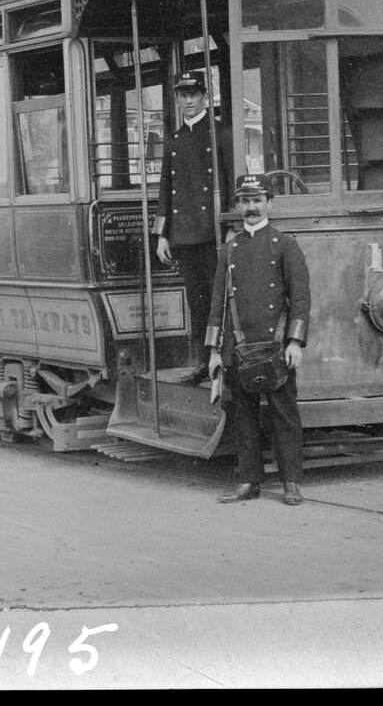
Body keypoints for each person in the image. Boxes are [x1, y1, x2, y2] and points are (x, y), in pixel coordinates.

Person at [207, 173, 311, 505]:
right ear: (238, 205)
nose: (251, 207)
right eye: (245, 201)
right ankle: (249, 482)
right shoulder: (229, 250)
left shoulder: (286, 245)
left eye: (257, 200)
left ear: (270, 203)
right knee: (243, 415)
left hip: (276, 345)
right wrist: (213, 352)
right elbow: (217, 303)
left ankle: (291, 481)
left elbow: (301, 298)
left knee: (284, 413)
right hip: (238, 345)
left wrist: (294, 342)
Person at [154, 71, 234, 383]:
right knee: (196, 301)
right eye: (182, 95)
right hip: (184, 235)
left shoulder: (219, 133)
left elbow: (230, 180)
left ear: (204, 96)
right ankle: (204, 362)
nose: (188, 101)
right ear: (176, 99)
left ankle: (224, 361)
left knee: (219, 299)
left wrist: (230, 225)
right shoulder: (174, 139)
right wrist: (162, 234)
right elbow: (166, 187)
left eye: (193, 94)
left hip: (213, 232)